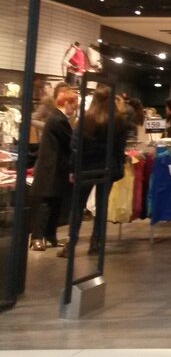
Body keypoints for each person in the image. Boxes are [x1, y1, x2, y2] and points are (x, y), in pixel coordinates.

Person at [62, 85, 130, 258]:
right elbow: (119, 148)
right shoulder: (118, 120)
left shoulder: (85, 119)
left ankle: (71, 244)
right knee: (101, 206)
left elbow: (75, 146)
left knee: (77, 206)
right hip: (107, 168)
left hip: (86, 167)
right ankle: (96, 243)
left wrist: (73, 168)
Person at [28, 90, 77, 251]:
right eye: (74, 105)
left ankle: (50, 236)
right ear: (67, 103)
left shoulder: (57, 118)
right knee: (48, 203)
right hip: (51, 168)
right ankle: (37, 237)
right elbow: (70, 142)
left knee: (55, 202)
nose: (74, 109)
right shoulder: (58, 120)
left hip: (55, 168)